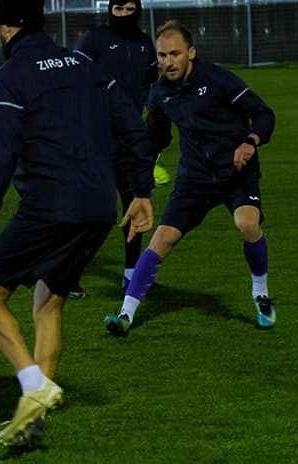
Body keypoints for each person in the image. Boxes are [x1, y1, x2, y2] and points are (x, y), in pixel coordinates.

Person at [0, 0, 155, 449]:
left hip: (50, 206)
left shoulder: (8, 78)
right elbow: (132, 128)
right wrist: (140, 192)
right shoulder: (86, 65)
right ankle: (32, 420)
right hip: (100, 207)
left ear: (4, 28)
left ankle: (34, 386)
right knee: (49, 300)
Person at [103, 20, 276, 337]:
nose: (168, 61)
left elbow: (264, 114)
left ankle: (261, 292)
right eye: (162, 55)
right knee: (161, 239)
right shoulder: (159, 93)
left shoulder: (217, 79)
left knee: (247, 224)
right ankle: (125, 315)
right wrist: (135, 160)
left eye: (174, 54)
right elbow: (156, 138)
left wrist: (250, 142)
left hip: (236, 171)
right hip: (194, 178)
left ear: (191, 53)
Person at [71, 0, 165, 295]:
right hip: (94, 137)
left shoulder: (143, 45)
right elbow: (73, 79)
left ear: (137, 10)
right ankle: (67, 274)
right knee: (90, 209)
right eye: (118, 9)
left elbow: (153, 84)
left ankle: (130, 274)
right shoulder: (95, 38)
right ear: (109, 10)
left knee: (135, 206)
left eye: (129, 9)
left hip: (130, 140)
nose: (123, 15)